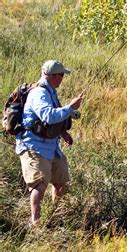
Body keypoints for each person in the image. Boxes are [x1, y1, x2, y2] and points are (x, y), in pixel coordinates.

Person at [16, 60, 82, 226]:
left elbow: (46, 122)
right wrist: (70, 107)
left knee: (60, 182)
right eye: (61, 75)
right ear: (54, 76)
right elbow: (48, 116)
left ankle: (53, 216)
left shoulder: (50, 91)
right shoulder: (39, 93)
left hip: (51, 147)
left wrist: (62, 132)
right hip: (34, 146)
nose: (62, 79)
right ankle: (36, 224)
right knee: (39, 185)